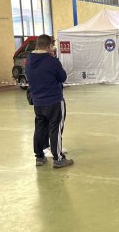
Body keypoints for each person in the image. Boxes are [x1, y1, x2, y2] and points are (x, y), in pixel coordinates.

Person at [25, 34, 74, 168]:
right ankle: (58, 158)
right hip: (54, 101)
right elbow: (62, 77)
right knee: (55, 128)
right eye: (52, 46)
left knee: (40, 128)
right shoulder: (52, 61)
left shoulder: (29, 60)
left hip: (38, 102)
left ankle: (39, 157)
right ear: (48, 46)